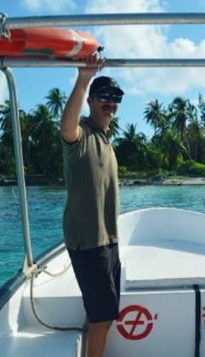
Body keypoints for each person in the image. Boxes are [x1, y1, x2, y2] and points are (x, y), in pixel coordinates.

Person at [61, 54, 123, 357]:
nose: (110, 102)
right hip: (89, 241)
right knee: (104, 317)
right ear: (91, 101)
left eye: (116, 97)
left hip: (108, 240)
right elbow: (66, 127)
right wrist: (84, 78)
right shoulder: (82, 135)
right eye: (104, 97)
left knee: (97, 312)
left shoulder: (106, 138)